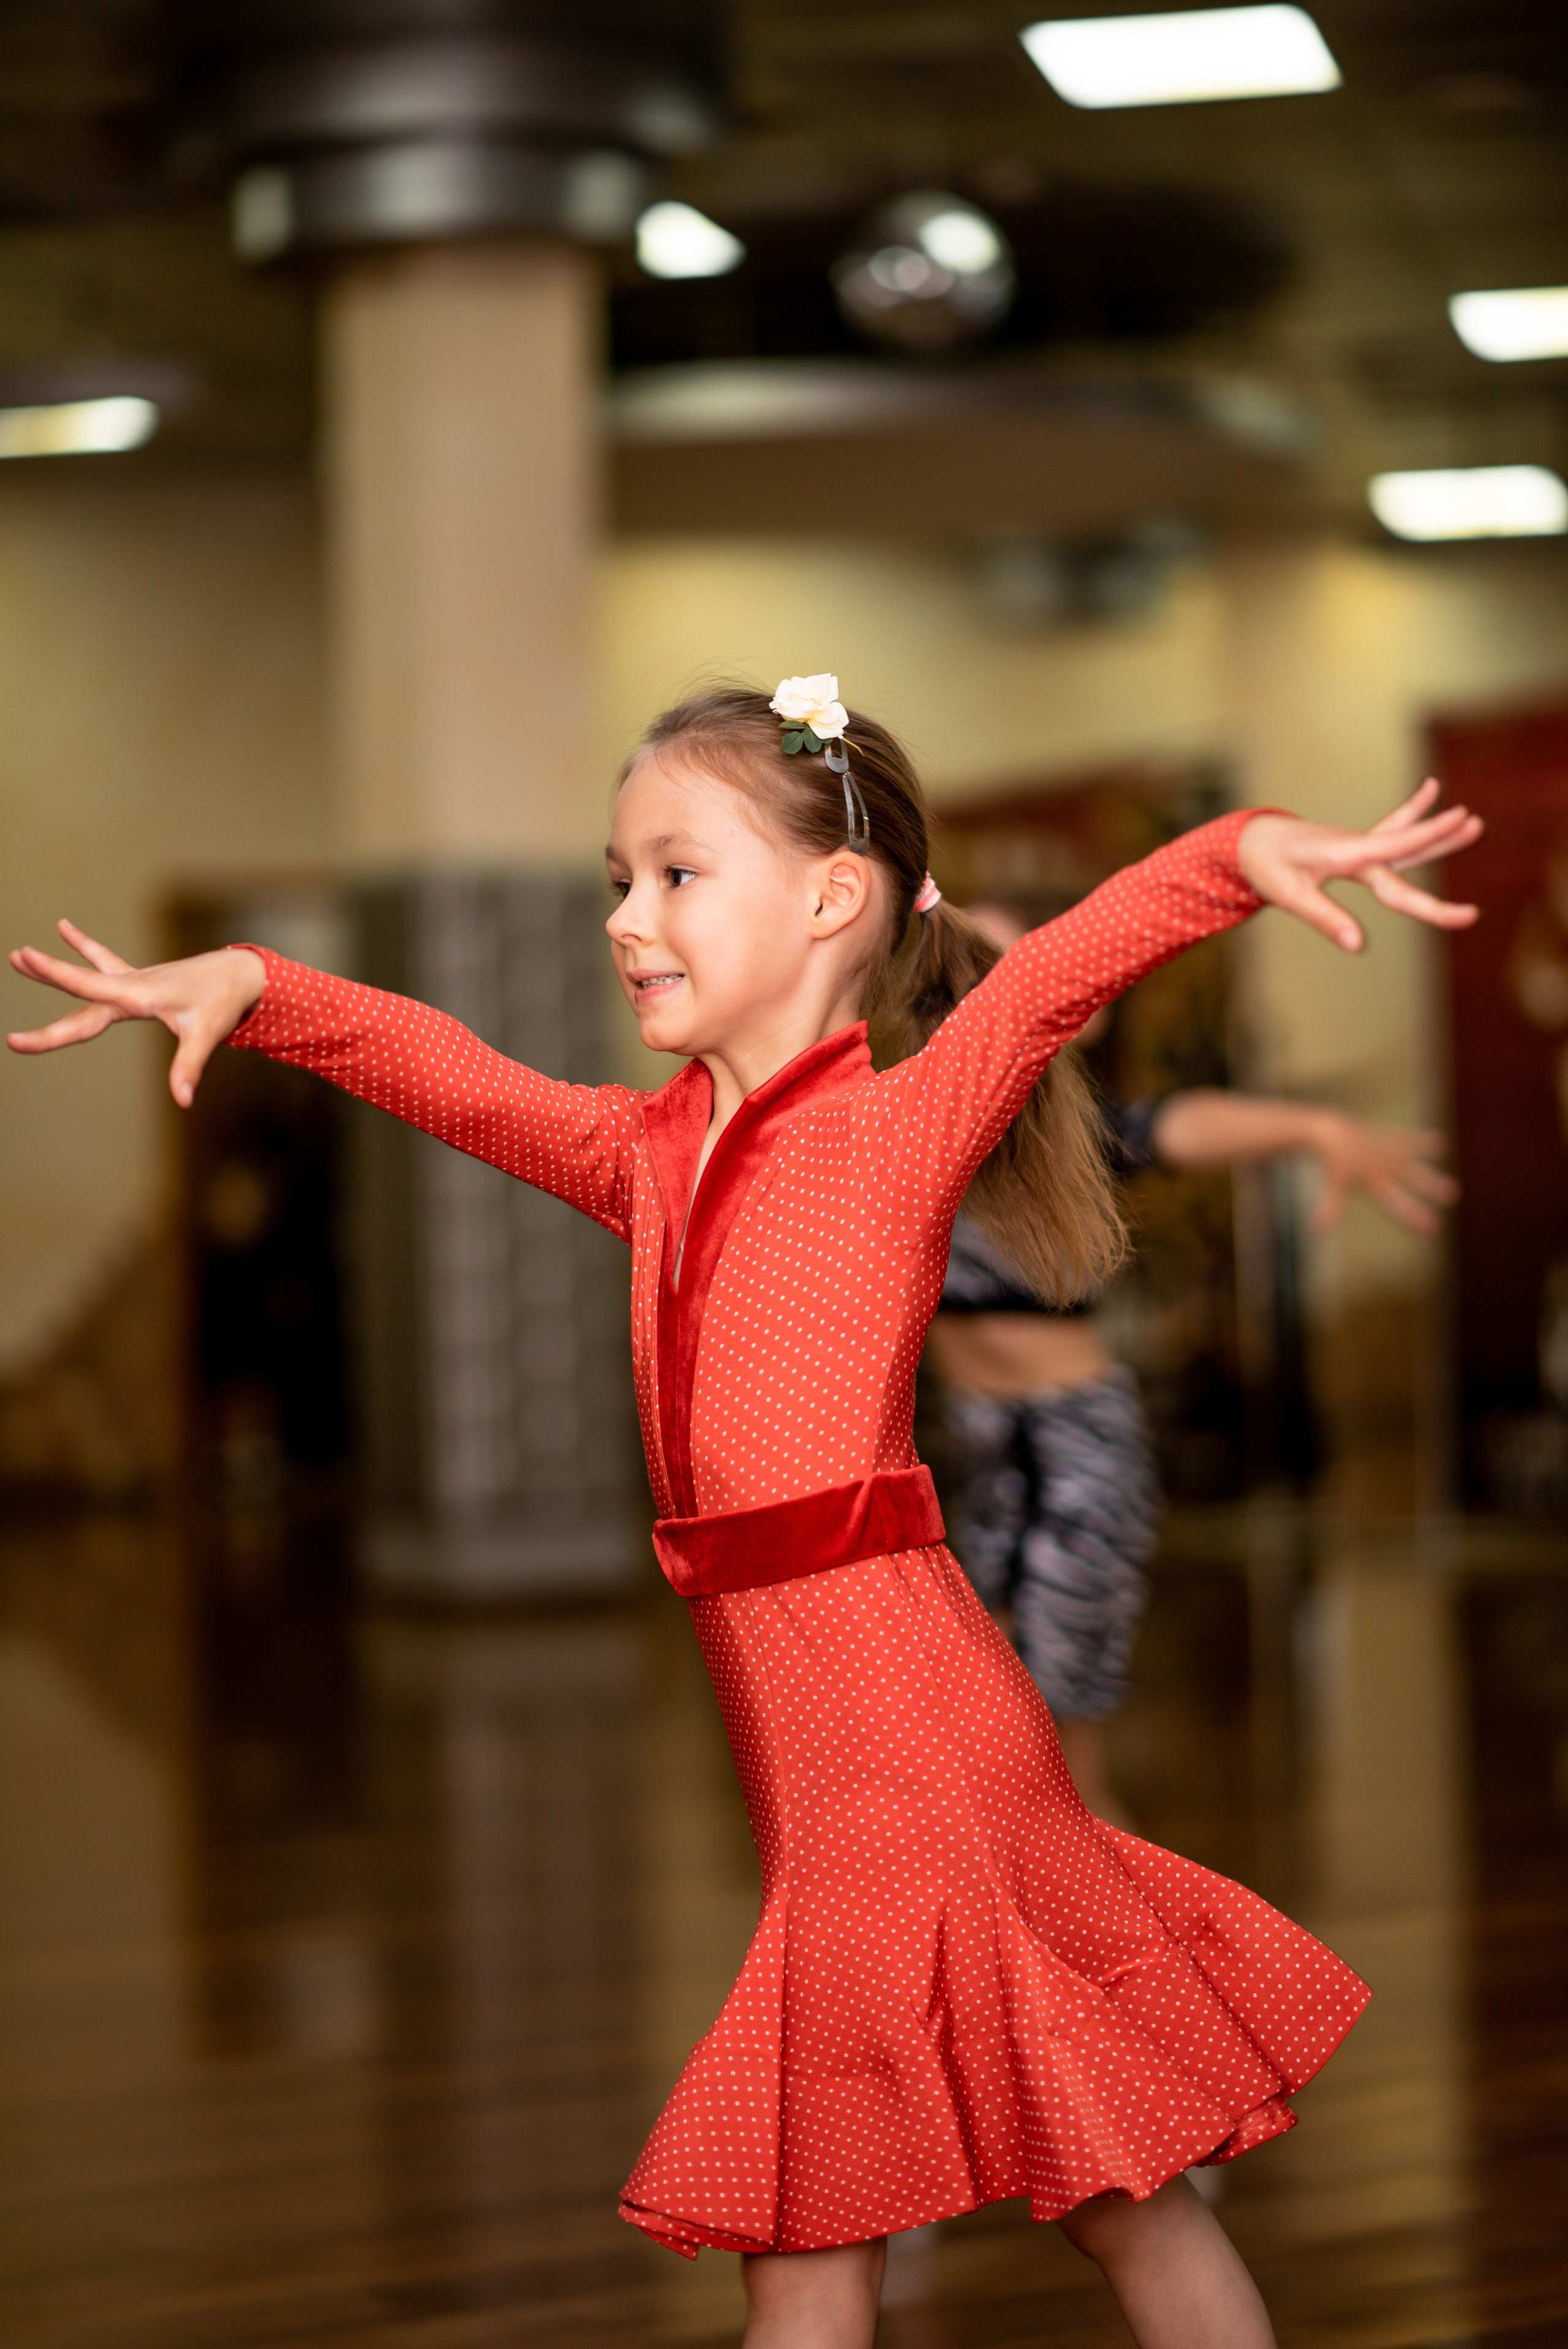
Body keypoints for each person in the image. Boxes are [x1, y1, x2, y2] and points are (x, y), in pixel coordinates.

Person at [9, 679, 1481, 2349]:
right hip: (815, 1756)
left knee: (889, 2216)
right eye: (615, 881)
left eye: (675, 875)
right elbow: (453, 1075)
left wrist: (1237, 855)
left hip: (913, 1737)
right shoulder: (643, 1156)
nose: (625, 919)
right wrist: (263, 987)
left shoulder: (898, 1126)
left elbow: (1060, 972)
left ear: (833, 898)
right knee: (1083, 2200)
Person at [928, 894, 1460, 1829]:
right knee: (991, 1747)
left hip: (1078, 1453)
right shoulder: (915, 1128)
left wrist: (1315, 1130)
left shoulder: (1069, 1138)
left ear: (1080, 1010)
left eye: (1019, 973)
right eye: (974, 972)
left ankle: (1128, 1919)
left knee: (1059, 1759)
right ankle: (1051, 1918)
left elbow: (1181, 1123)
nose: (991, 993)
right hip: (986, 1459)